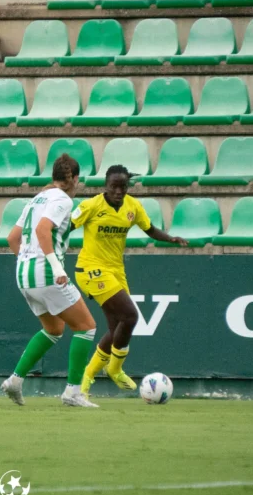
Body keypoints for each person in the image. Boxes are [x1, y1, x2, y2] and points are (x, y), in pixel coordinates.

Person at [72, 165, 186, 398]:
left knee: (116, 328)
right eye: (114, 186)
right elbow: (66, 226)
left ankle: (85, 381)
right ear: (106, 185)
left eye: (123, 186)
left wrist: (170, 238)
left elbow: (150, 229)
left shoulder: (133, 207)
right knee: (131, 315)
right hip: (91, 268)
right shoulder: (91, 206)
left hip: (115, 270)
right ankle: (114, 368)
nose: (118, 191)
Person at [1, 154, 100, 408]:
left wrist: (28, 261)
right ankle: (73, 392)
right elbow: (42, 230)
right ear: (75, 179)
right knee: (86, 327)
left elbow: (12, 238)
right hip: (46, 273)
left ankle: (15, 380)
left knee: (54, 329)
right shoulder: (63, 200)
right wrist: (55, 267)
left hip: (23, 274)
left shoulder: (36, 199)